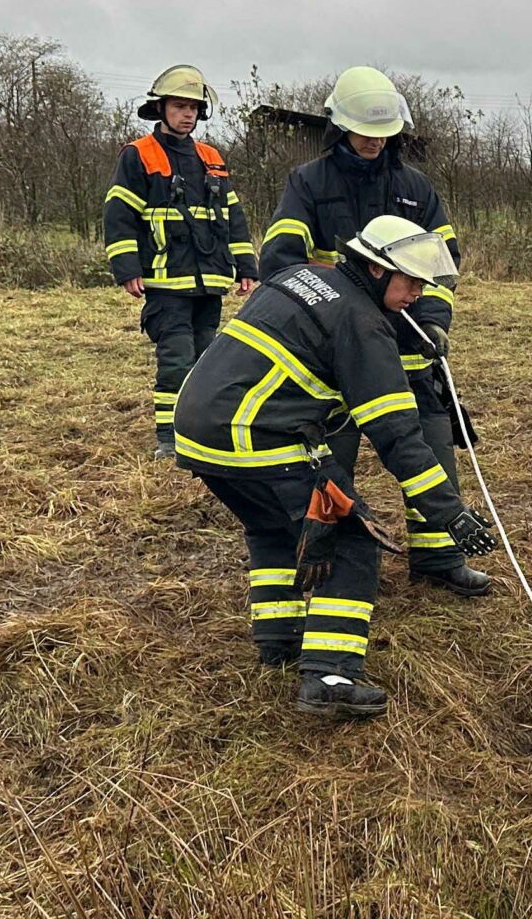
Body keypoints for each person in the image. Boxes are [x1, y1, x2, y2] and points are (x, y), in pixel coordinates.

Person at [173, 217, 497, 719]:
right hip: (254, 437)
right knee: (348, 535)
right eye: (409, 280)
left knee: (274, 526)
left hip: (197, 430)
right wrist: (448, 512)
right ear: (373, 267)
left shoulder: (302, 276)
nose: (418, 292)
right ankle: (331, 675)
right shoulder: (361, 325)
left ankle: (279, 639)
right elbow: (398, 438)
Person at [258, 66, 492, 597]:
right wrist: (317, 315)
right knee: (328, 464)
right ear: (339, 127)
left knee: (428, 448)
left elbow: (444, 261)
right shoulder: (308, 183)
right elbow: (280, 258)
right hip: (335, 353)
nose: (373, 142)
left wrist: (432, 321)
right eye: (363, 130)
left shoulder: (414, 188)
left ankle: (438, 557)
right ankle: (325, 563)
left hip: (407, 348)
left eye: (383, 133)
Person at [101, 66, 256, 457]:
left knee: (206, 360)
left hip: (209, 280)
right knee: (176, 359)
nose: (187, 114)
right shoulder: (139, 155)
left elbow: (232, 216)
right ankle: (169, 439)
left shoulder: (211, 158)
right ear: (161, 108)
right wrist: (128, 268)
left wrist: (247, 268)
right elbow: (119, 214)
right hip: (166, 283)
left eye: (193, 107)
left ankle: (198, 431)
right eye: (179, 106)